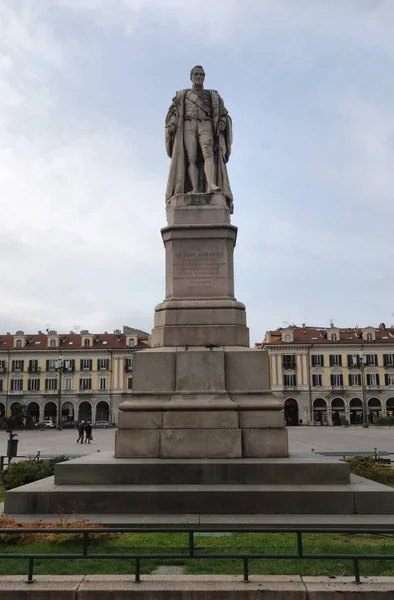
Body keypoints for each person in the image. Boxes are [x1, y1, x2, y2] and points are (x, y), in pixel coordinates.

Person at [165, 65, 233, 212]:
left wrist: (221, 122)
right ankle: (194, 188)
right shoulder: (183, 94)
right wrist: (171, 124)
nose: (198, 77)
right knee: (191, 158)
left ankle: (211, 185)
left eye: (201, 75)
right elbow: (174, 112)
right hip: (189, 124)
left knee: (208, 153)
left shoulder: (212, 96)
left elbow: (223, 113)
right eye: (195, 74)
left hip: (205, 123)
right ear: (191, 77)